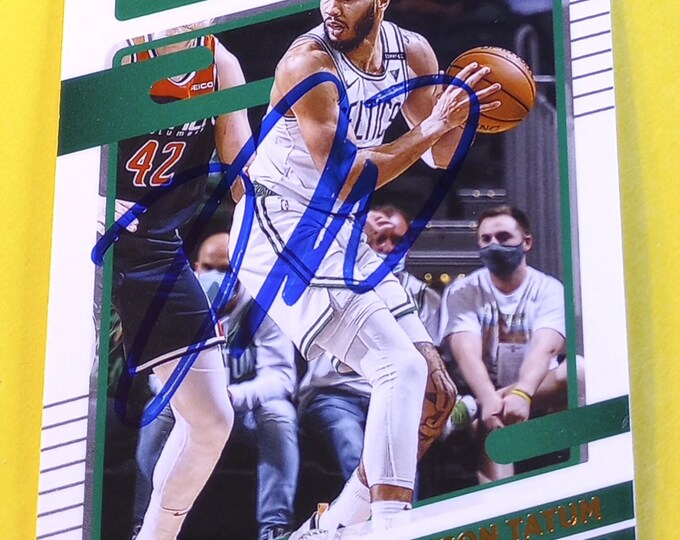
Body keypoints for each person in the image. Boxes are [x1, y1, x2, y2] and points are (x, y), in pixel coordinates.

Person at [229, 0, 501, 529]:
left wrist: (463, 111)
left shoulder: (412, 52)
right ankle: (391, 526)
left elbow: (439, 154)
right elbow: (347, 179)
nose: (332, 6)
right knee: (398, 366)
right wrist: (433, 125)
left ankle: (331, 528)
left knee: (434, 393)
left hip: (339, 228)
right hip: (278, 225)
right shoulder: (307, 62)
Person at [110, 22, 252, 540]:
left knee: (212, 418)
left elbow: (243, 179)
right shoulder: (117, 52)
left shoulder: (220, 64)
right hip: (86, 236)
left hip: (156, 248)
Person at [133, 233, 300, 540]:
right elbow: (157, 375)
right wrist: (199, 399)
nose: (218, 276)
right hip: (193, 412)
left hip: (244, 412)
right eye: (210, 268)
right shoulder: (180, 305)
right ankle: (143, 523)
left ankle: (275, 527)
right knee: (156, 411)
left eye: (227, 269)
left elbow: (281, 378)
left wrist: (229, 397)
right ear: (196, 267)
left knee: (280, 414)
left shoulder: (262, 305)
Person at [297, 205, 441, 485]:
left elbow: (424, 364)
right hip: (335, 394)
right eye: (379, 239)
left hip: (397, 396)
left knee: (401, 454)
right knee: (354, 448)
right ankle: (371, 512)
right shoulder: (330, 278)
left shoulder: (425, 297)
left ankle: (402, 513)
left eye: (397, 240)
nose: (387, 248)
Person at [439, 205, 574, 483]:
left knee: (579, 371)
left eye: (503, 237)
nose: (494, 245)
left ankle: (473, 406)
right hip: (486, 391)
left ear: (527, 242)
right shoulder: (462, 290)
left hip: (537, 390)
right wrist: (489, 398)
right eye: (486, 239)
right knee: (496, 426)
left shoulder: (549, 289)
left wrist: (522, 393)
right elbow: (465, 352)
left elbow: (546, 348)